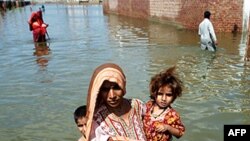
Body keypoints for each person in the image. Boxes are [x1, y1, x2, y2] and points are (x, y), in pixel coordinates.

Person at [85, 63, 147, 141]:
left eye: (116, 88)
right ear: (99, 91)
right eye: (105, 89)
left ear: (123, 86)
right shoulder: (97, 118)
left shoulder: (137, 105)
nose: (112, 96)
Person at [143, 66, 185, 141]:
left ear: (174, 97)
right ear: (154, 93)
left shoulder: (172, 114)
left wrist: (168, 127)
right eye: (160, 94)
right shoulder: (149, 105)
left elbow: (180, 133)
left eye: (168, 95)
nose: (164, 99)